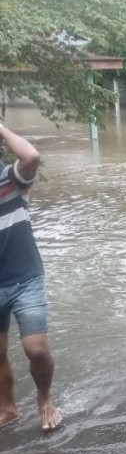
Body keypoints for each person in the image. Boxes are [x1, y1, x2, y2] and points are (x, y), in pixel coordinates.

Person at [0, 124, 63, 432]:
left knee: (35, 349)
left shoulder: (10, 181)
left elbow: (32, 155)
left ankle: (44, 399)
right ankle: (8, 409)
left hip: (26, 278)